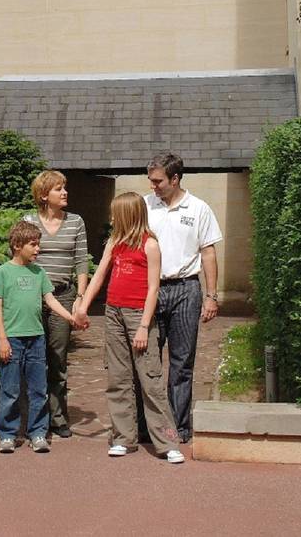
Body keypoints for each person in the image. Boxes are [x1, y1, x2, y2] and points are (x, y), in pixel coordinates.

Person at [74, 192, 184, 463]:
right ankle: (124, 438)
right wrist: (83, 306)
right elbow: (100, 274)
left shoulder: (150, 245)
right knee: (118, 378)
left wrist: (145, 327)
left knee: (150, 379)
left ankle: (167, 442)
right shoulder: (115, 242)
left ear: (128, 215)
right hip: (114, 313)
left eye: (115, 214)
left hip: (139, 316)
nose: (111, 218)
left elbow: (154, 288)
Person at [145, 152, 223, 443]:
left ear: (175, 178)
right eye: (151, 181)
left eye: (158, 181)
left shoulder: (199, 208)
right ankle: (148, 425)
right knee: (148, 360)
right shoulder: (144, 205)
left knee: (182, 361)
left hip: (186, 290)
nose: (153, 186)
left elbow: (208, 252)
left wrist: (211, 296)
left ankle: (178, 427)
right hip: (151, 290)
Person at [0, 220, 78, 454]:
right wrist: (2, 338)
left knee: (38, 389)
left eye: (38, 244)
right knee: (10, 389)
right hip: (13, 340)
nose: (38, 249)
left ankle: (38, 432)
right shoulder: (2, 272)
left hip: (36, 338)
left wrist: (70, 317)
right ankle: (7, 434)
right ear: (17, 245)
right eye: (33, 244)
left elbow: (50, 300)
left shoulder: (39, 273)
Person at [23, 170, 89, 437]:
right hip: (33, 298)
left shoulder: (76, 222)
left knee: (58, 358)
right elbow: (19, 257)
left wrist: (81, 298)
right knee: (33, 357)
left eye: (65, 188)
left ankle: (58, 417)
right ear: (43, 195)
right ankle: (34, 418)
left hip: (63, 296)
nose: (65, 193)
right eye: (58, 189)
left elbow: (81, 261)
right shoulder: (28, 221)